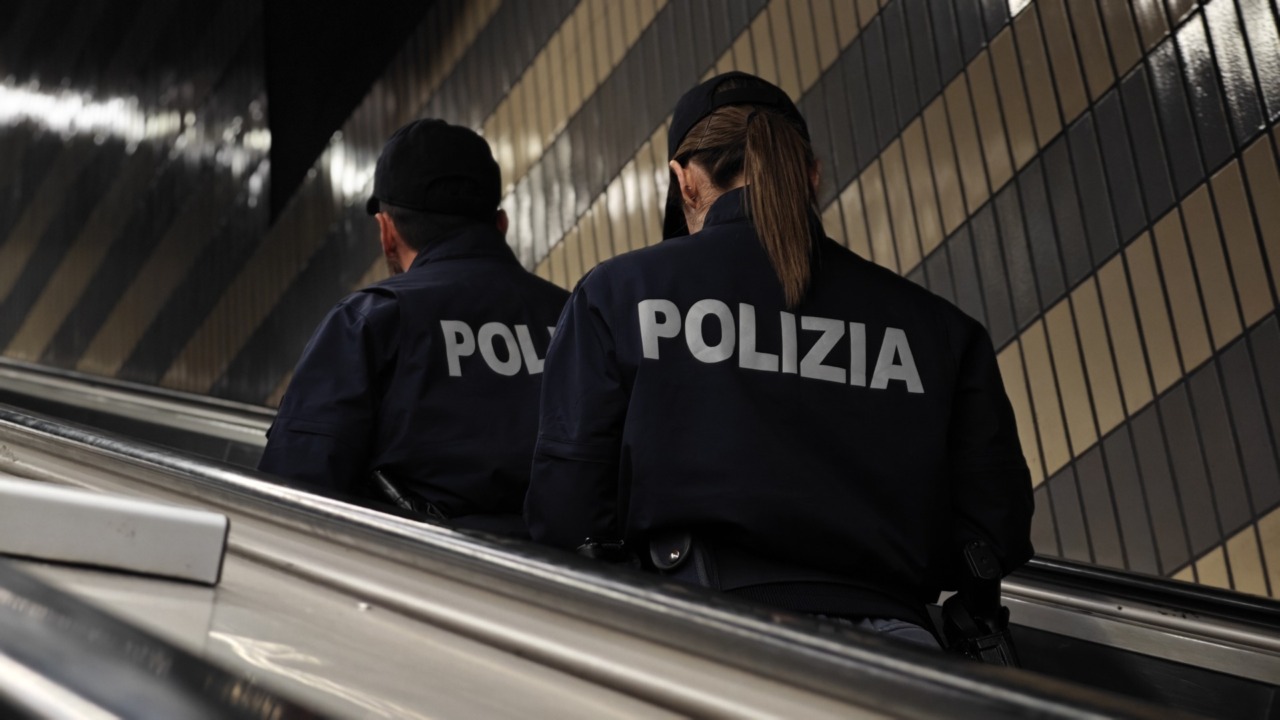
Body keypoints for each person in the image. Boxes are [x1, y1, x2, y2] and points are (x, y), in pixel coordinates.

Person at [524, 72, 1033, 646]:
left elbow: (567, 507)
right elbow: (996, 526)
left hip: (703, 635)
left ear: (684, 181)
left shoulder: (618, 293)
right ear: (810, 173)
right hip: (901, 653)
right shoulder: (937, 328)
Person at [261, 119, 570, 537]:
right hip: (581, 585)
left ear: (387, 231)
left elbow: (291, 494)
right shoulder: (576, 315)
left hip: (419, 585)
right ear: (501, 224)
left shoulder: (370, 320)